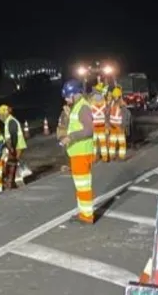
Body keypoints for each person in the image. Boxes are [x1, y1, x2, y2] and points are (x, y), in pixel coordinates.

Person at [58, 79, 96, 224]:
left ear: (75, 94)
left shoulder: (83, 107)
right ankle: (83, 213)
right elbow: (76, 125)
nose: (66, 100)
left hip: (82, 153)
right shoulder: (76, 106)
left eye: (68, 97)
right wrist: (68, 116)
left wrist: (70, 137)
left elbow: (89, 130)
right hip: (77, 153)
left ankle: (86, 216)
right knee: (80, 186)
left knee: (83, 187)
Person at [0, 104, 27, 188]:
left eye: (0, 115)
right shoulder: (8, 121)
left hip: (17, 146)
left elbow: (13, 136)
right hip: (14, 146)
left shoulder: (11, 121)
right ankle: (12, 181)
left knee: (12, 163)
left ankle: (13, 182)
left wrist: (12, 148)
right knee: (12, 163)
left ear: (4, 114)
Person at [88, 90, 110, 162]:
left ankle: (95, 157)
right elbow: (107, 116)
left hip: (94, 127)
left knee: (94, 144)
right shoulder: (104, 106)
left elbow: (89, 117)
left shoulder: (91, 106)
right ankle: (105, 157)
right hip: (102, 127)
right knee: (103, 143)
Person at [107, 87, 128, 160]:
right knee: (120, 142)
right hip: (117, 127)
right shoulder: (121, 104)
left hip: (116, 126)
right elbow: (125, 117)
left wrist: (108, 124)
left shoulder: (112, 103)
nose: (115, 97)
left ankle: (113, 155)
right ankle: (119, 156)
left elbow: (107, 114)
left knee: (114, 142)